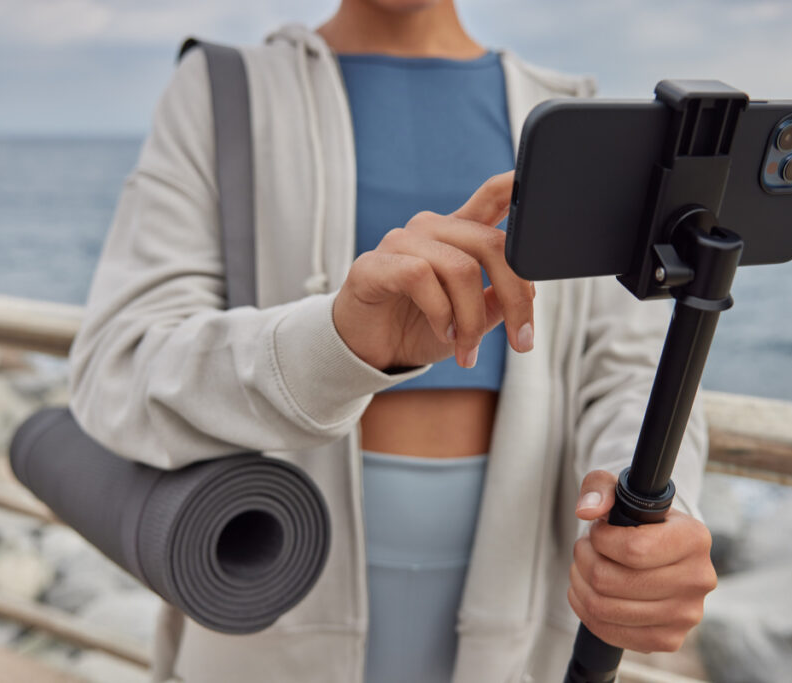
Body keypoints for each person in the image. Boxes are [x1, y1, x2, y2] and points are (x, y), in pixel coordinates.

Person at [68, 1, 717, 681]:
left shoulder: (570, 119)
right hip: (263, 597)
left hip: (523, 628)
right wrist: (339, 342)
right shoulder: (221, 91)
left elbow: (629, 375)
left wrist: (651, 519)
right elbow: (120, 366)